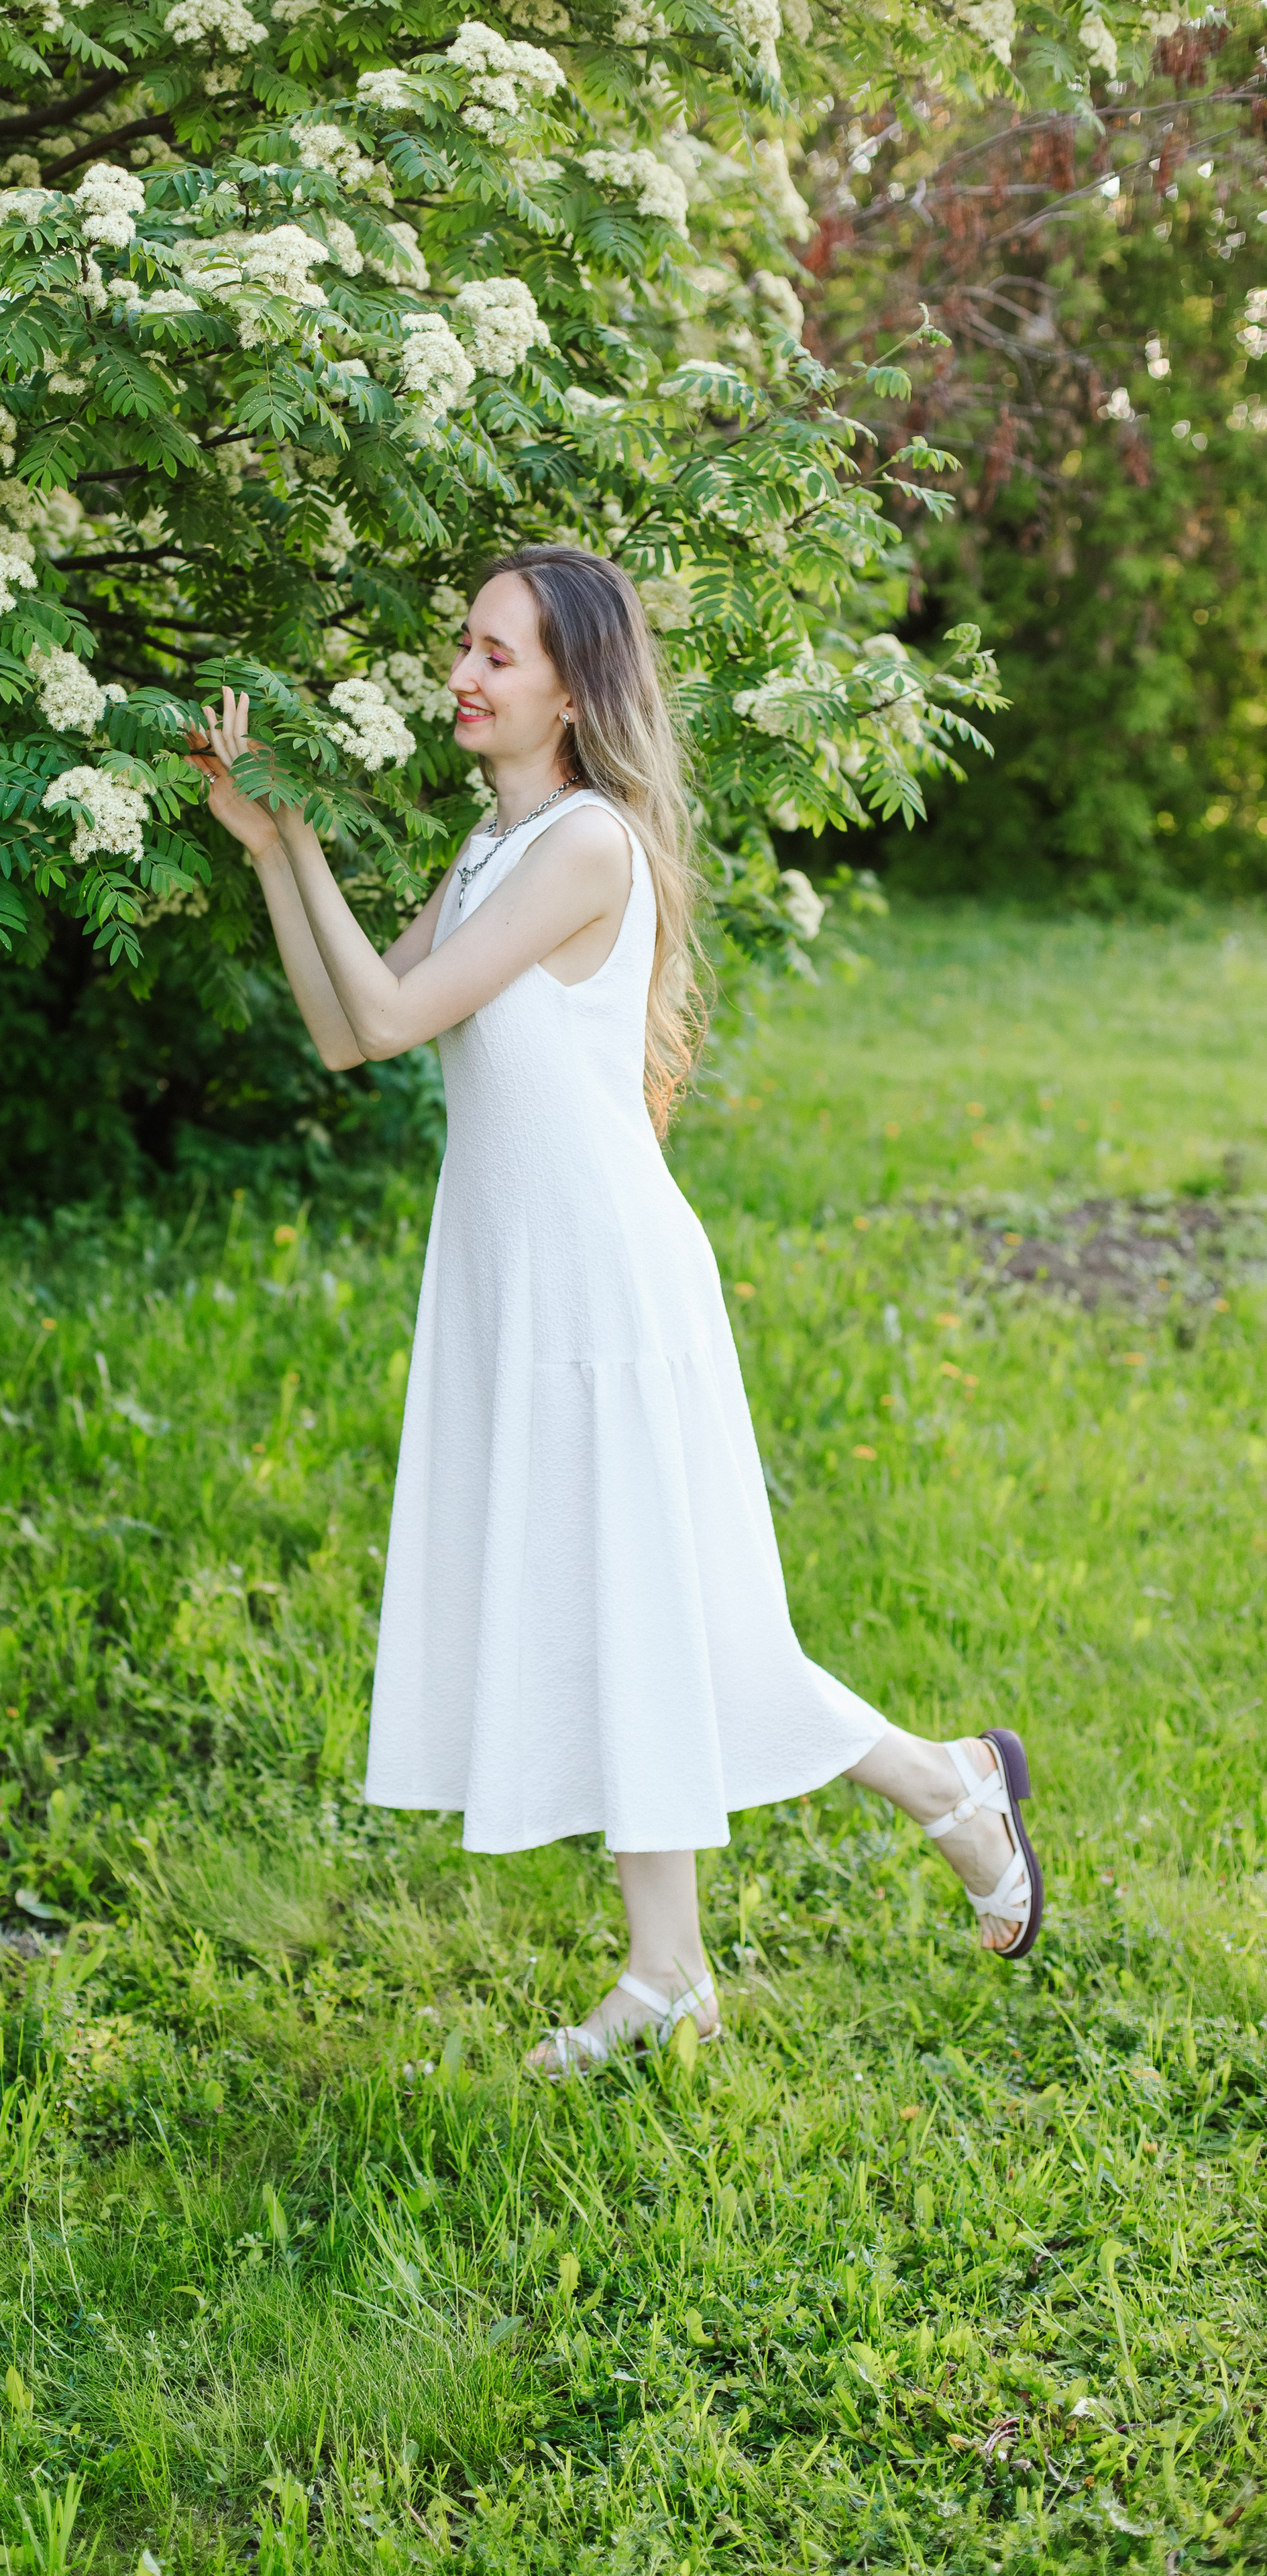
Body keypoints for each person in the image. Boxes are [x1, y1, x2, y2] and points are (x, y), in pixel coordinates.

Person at [192, 543, 1042, 2074]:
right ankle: (671, 1975)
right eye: (462, 645)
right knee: (622, 1618)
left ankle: (947, 1789)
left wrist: (302, 831)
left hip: (603, 1287)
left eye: (494, 654)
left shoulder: (584, 848)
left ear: (571, 691)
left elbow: (389, 1012)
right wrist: (265, 851)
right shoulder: (487, 856)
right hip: (523, 1283)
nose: (461, 671)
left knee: (685, 1627)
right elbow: (343, 1039)